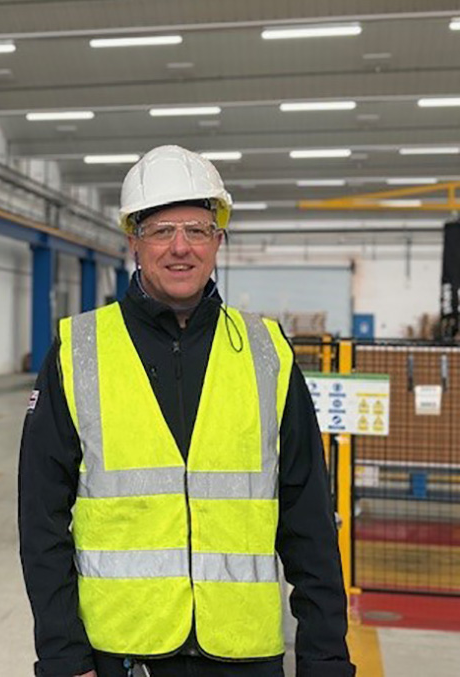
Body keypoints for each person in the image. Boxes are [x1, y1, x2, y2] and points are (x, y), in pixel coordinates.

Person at [18, 145, 354, 677]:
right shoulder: (79, 349)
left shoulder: (267, 351)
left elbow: (308, 516)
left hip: (244, 653)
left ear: (218, 241)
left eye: (197, 230)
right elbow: (41, 518)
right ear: (133, 240)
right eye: (162, 231)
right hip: (121, 652)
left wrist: (326, 658)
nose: (181, 248)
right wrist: (63, 655)